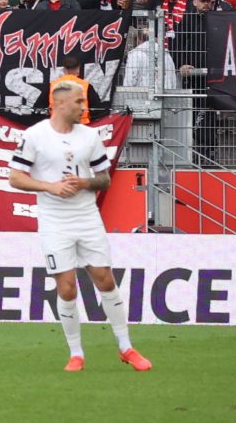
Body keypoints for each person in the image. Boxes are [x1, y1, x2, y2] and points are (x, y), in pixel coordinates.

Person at [8, 75, 150, 373]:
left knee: (105, 280)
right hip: (54, 221)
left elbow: (105, 178)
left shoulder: (89, 136)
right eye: (78, 102)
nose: (83, 107)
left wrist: (84, 181)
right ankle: (76, 353)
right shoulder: (35, 135)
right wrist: (50, 187)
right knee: (68, 287)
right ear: (59, 104)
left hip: (87, 217)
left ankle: (126, 347)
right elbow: (15, 177)